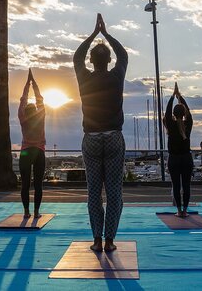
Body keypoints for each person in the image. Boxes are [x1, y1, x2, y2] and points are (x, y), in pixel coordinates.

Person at [73, 13, 127, 253]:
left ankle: (96, 239)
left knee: (94, 192)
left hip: (92, 139)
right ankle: (109, 240)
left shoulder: (84, 77)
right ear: (108, 61)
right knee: (114, 192)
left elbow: (76, 57)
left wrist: (93, 34)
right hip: (114, 137)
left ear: (92, 61)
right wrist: (106, 34)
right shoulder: (116, 75)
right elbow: (123, 55)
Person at [18, 68, 46, 219]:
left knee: (25, 184)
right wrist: (34, 83)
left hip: (26, 152)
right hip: (39, 152)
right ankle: (36, 212)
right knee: (38, 185)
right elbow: (39, 98)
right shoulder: (40, 116)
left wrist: (27, 84)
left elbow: (23, 99)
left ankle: (26, 212)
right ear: (35, 110)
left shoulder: (22, 118)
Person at [164, 82, 194, 217]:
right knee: (186, 185)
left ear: (174, 115)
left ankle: (179, 211)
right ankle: (185, 211)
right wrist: (179, 97)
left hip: (174, 159)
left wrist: (173, 96)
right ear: (183, 113)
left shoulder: (170, 125)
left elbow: (167, 111)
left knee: (176, 185)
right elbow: (188, 111)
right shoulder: (188, 124)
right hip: (186, 158)